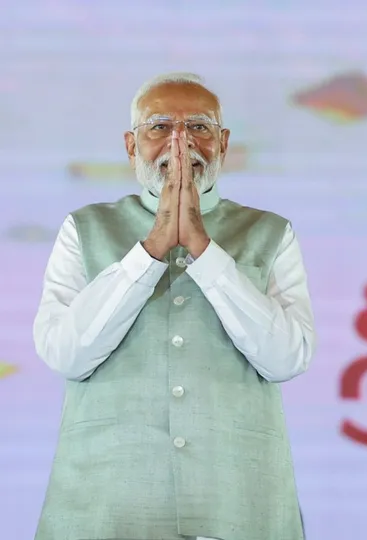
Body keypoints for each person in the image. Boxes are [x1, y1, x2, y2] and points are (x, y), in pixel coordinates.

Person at [32, 72, 315, 540]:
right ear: (131, 144)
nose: (180, 143)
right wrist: (151, 248)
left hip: (238, 502)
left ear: (223, 143)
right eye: (160, 127)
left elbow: (288, 357)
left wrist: (204, 250)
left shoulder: (271, 232)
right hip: (106, 507)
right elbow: (66, 354)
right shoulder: (82, 229)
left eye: (199, 128)